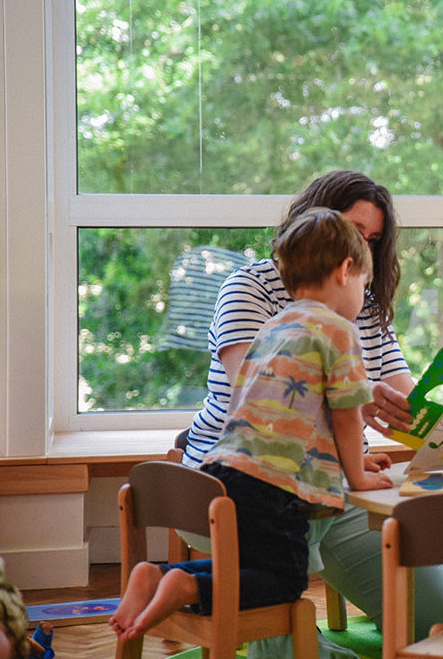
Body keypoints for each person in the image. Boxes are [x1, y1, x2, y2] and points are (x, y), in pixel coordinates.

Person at [181, 171, 443, 656]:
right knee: (276, 604)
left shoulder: (364, 306)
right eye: (354, 231)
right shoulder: (248, 288)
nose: (362, 249)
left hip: (332, 489)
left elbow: (412, 404)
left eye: (373, 240)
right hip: (246, 487)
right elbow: (258, 403)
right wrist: (355, 392)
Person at [110, 209, 395, 642]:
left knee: (247, 565)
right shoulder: (338, 331)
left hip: (227, 470)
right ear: (345, 271)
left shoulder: (273, 328)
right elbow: (346, 414)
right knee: (283, 582)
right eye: (363, 282)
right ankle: (186, 584)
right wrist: (357, 475)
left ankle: (157, 574)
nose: (363, 294)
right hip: (276, 485)